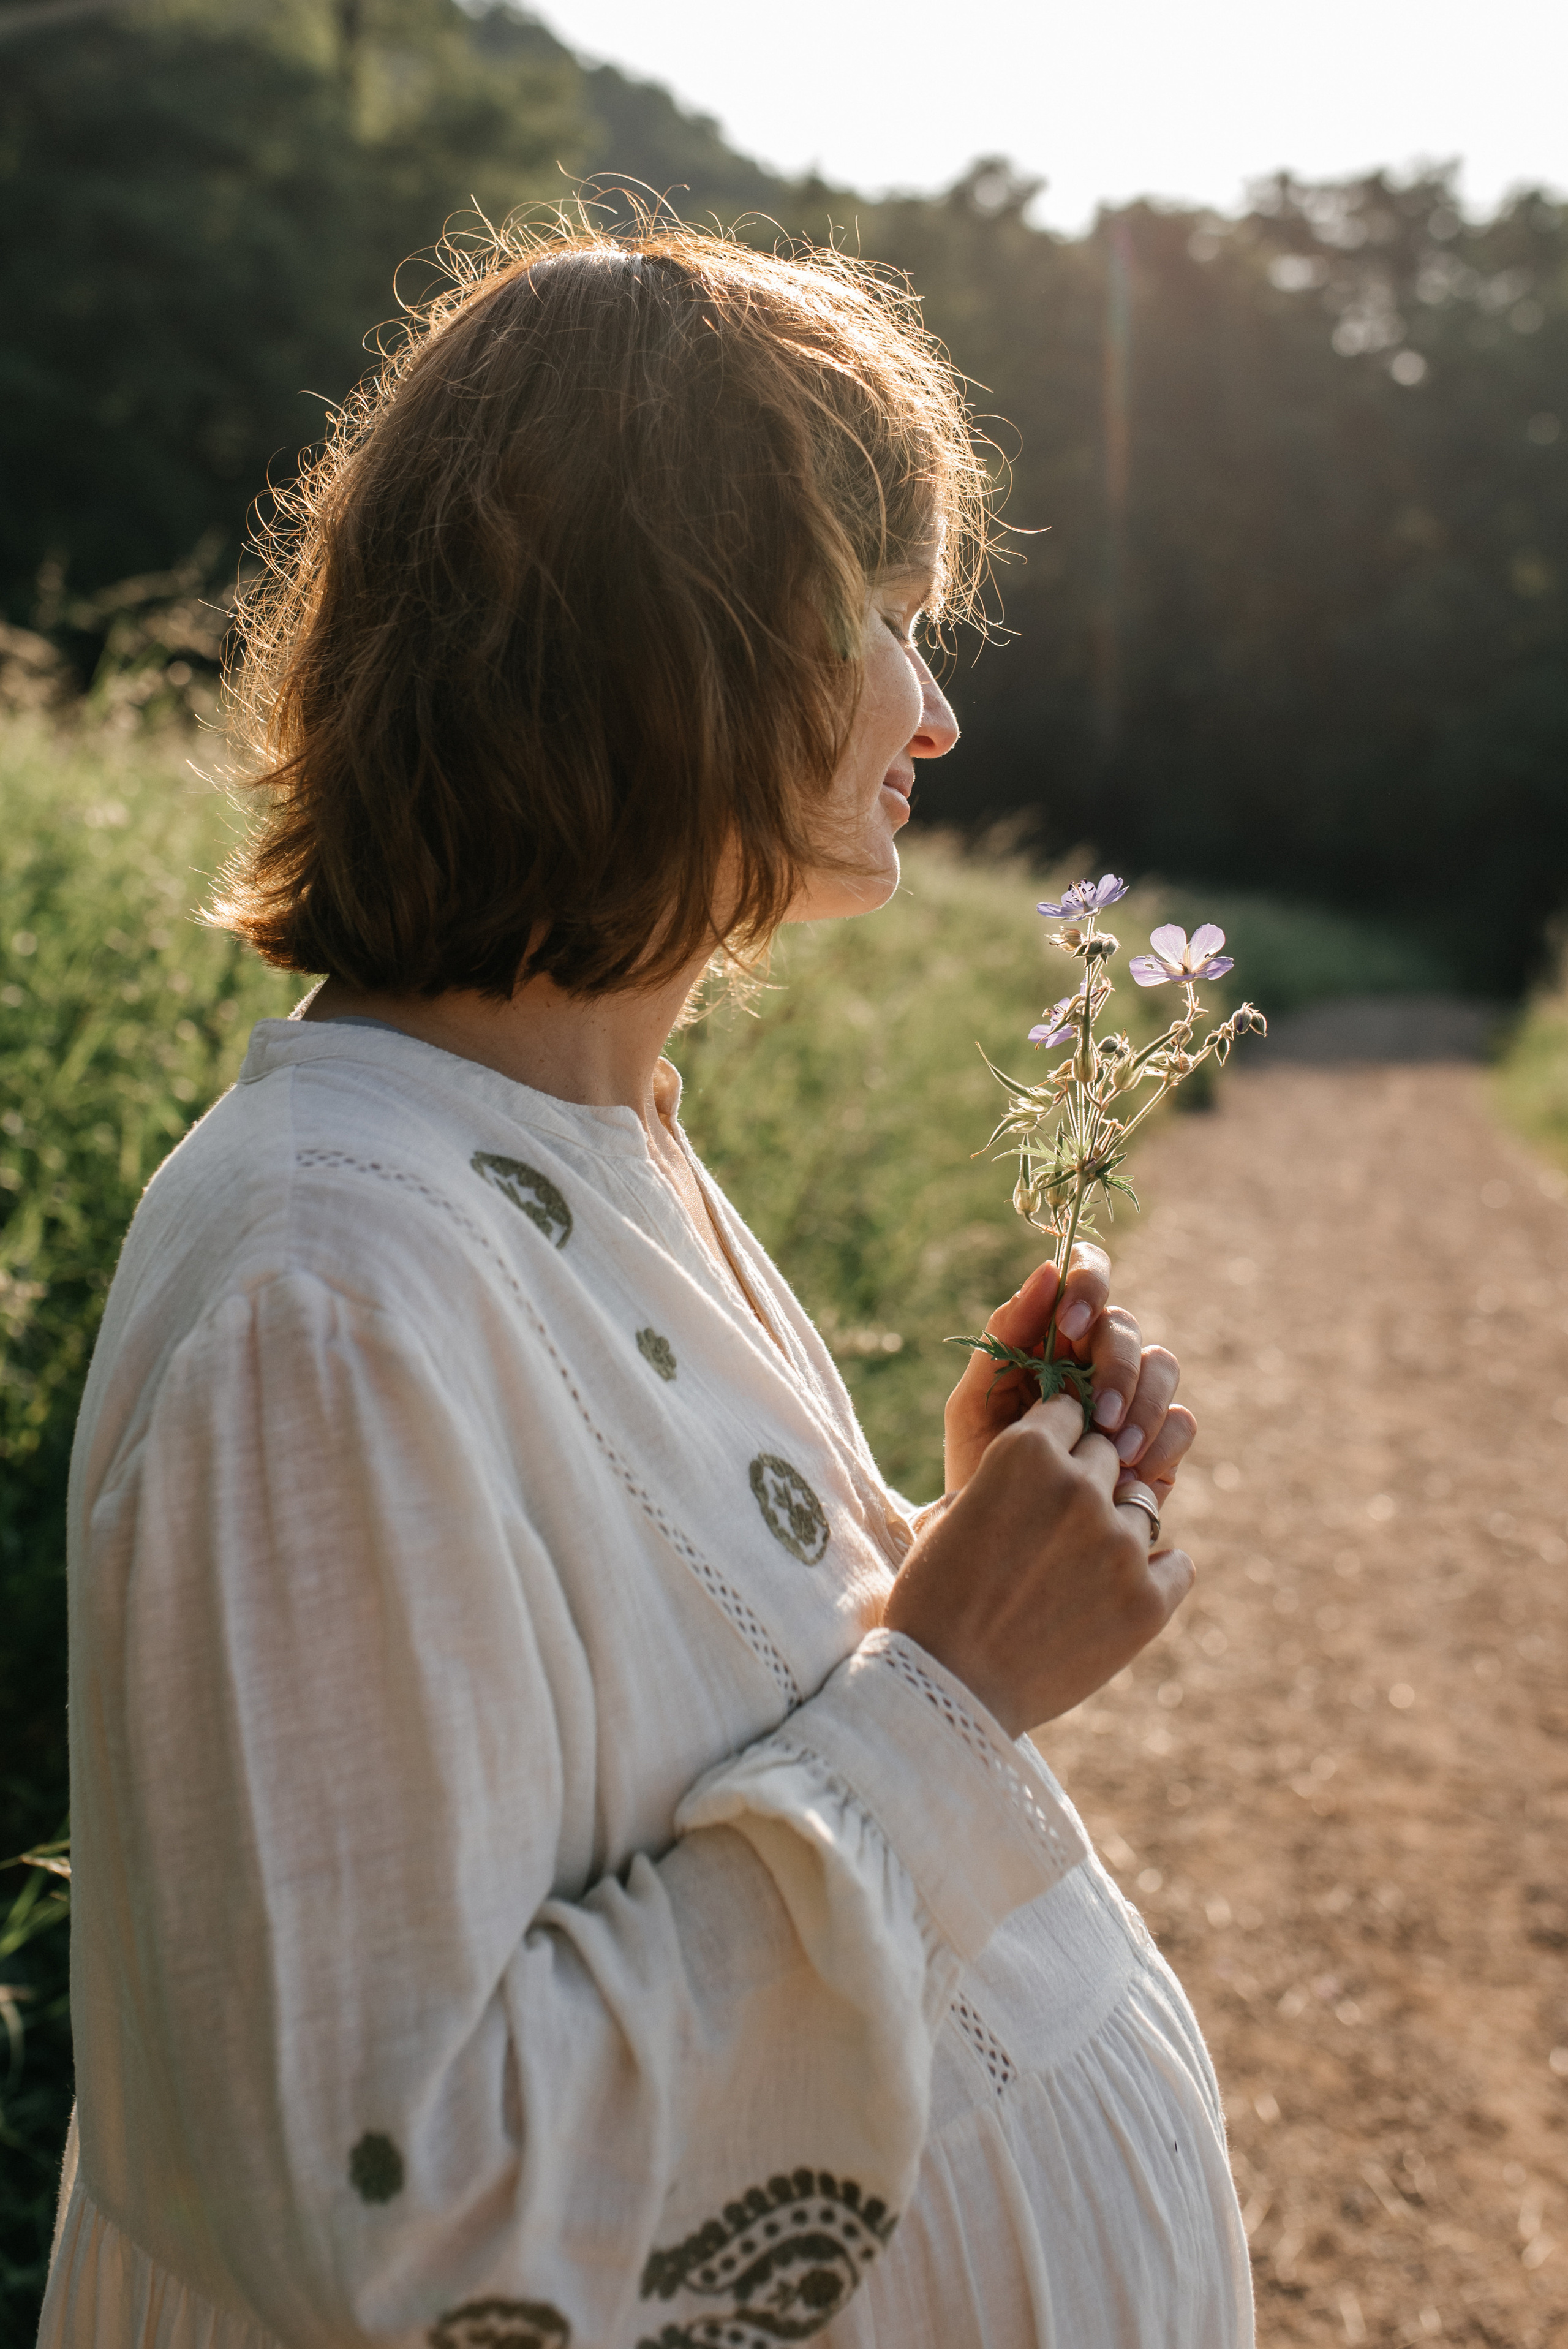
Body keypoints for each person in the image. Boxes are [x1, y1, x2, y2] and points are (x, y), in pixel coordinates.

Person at [38, 225, 1252, 2348]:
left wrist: (926, 1556)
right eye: (883, 616)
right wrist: (956, 1687)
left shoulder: (596, 1133)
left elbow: (670, 1761)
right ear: (672, 643)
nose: (939, 710)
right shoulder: (321, 1289)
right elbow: (392, 2204)